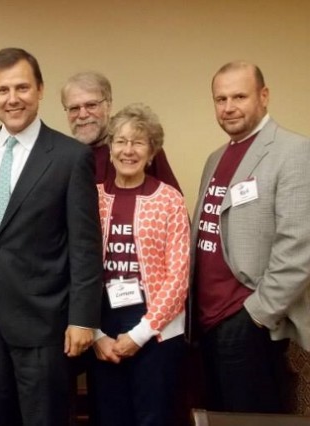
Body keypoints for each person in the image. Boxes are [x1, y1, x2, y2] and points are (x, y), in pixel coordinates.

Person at [0, 47, 103, 426]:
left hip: (45, 323)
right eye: (2, 90)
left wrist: (83, 318)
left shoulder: (71, 156)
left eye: (22, 87)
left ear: (40, 89)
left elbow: (86, 246)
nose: (12, 99)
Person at [191, 61, 310, 413]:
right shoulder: (217, 158)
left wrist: (256, 315)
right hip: (207, 322)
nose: (228, 107)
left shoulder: (293, 152)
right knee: (217, 416)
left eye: (239, 96)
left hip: (248, 322)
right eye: (220, 98)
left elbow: (299, 247)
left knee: (251, 419)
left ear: (263, 96)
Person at [92, 104, 189, 426]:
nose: (128, 150)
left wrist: (140, 334)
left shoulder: (169, 200)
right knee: (109, 417)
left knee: (153, 418)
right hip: (103, 328)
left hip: (157, 332)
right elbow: (75, 267)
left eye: (138, 142)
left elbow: (179, 277)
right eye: (120, 141)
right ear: (109, 148)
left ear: (152, 152)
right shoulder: (91, 198)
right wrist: (95, 335)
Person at [61, 72, 181, 191]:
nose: (82, 115)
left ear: (108, 105)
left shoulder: (138, 146)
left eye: (91, 105)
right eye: (74, 108)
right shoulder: (64, 156)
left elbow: (174, 203)